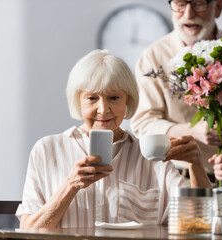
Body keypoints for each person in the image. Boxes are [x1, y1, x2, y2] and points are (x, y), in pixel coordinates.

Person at [16, 50, 211, 228]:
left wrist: (196, 164)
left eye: (114, 98)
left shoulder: (150, 155)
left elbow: (201, 222)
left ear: (128, 101)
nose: (103, 109)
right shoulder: (46, 150)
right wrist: (70, 185)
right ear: (79, 102)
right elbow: (28, 230)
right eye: (92, 98)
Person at [130, 0, 222, 191]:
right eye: (180, 3)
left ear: (218, 7)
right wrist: (192, 131)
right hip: (181, 185)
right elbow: (143, 124)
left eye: (198, 3)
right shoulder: (153, 58)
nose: (188, 13)